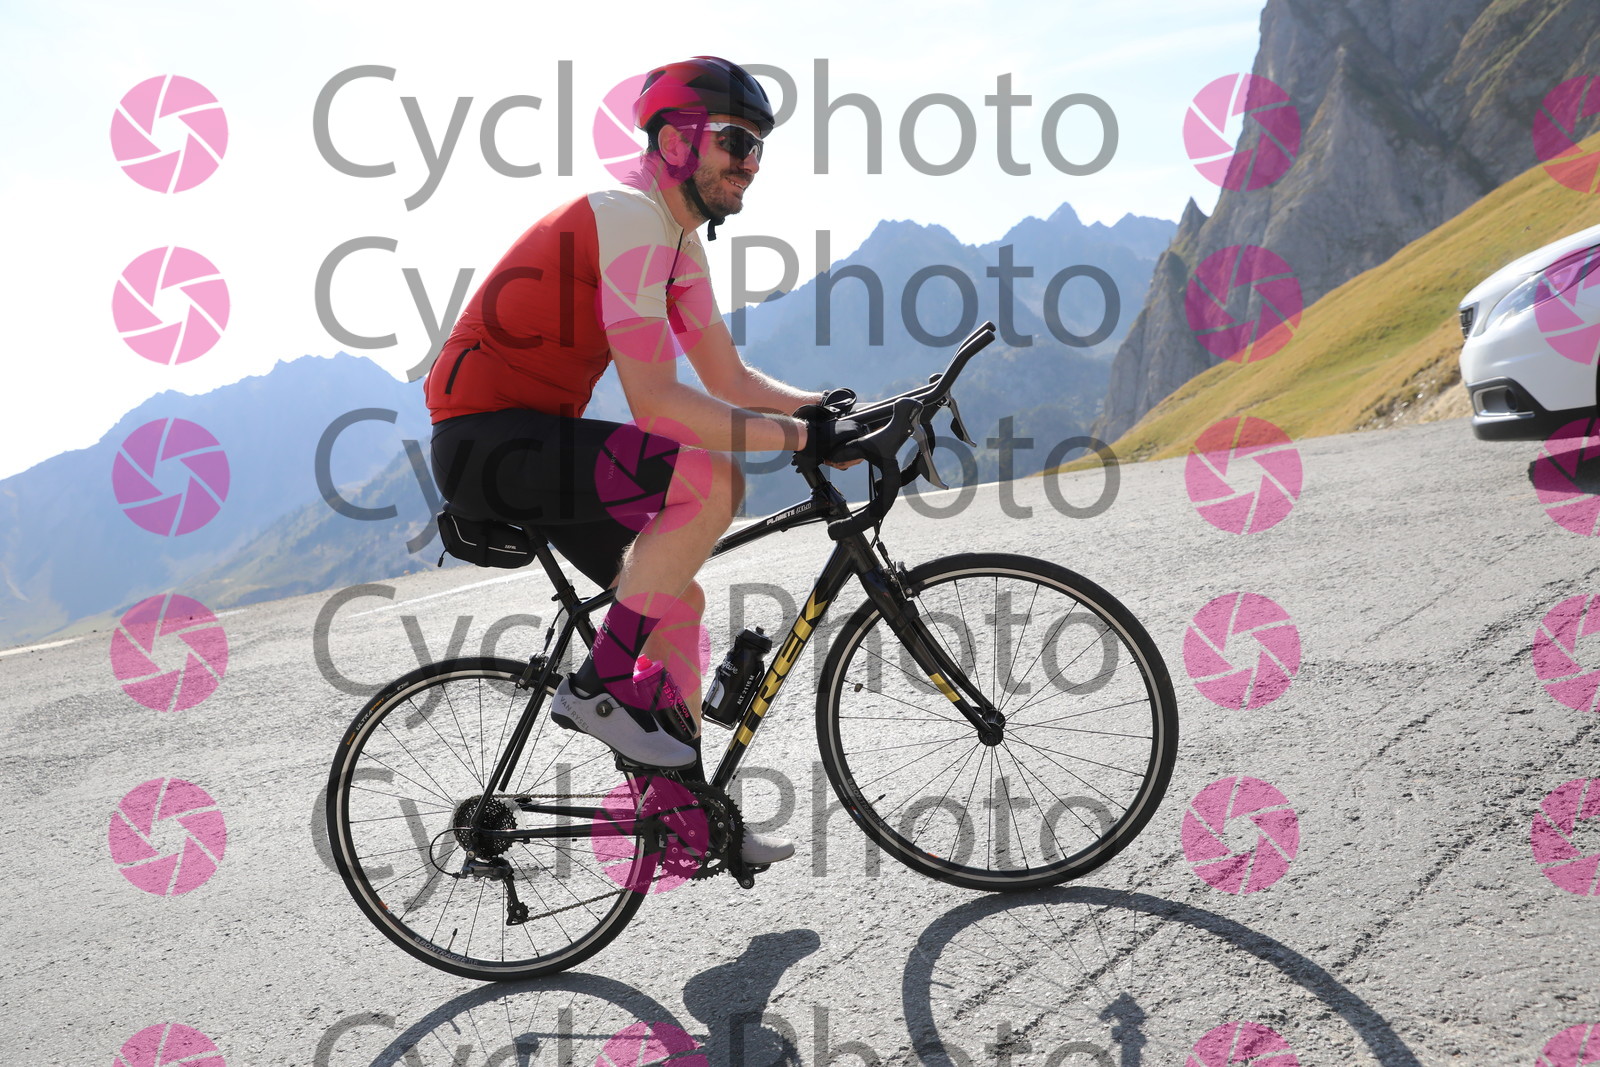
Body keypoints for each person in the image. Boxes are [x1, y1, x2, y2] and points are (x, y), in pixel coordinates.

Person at [424, 57, 865, 866]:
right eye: (735, 142)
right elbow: (657, 402)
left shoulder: (676, 239)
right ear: (673, 142)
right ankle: (599, 686)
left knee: (677, 604)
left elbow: (728, 378)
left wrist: (824, 412)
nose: (750, 164)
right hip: (486, 441)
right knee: (712, 478)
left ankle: (686, 821)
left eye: (758, 147)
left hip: (530, 438)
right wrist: (802, 442)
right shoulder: (627, 216)